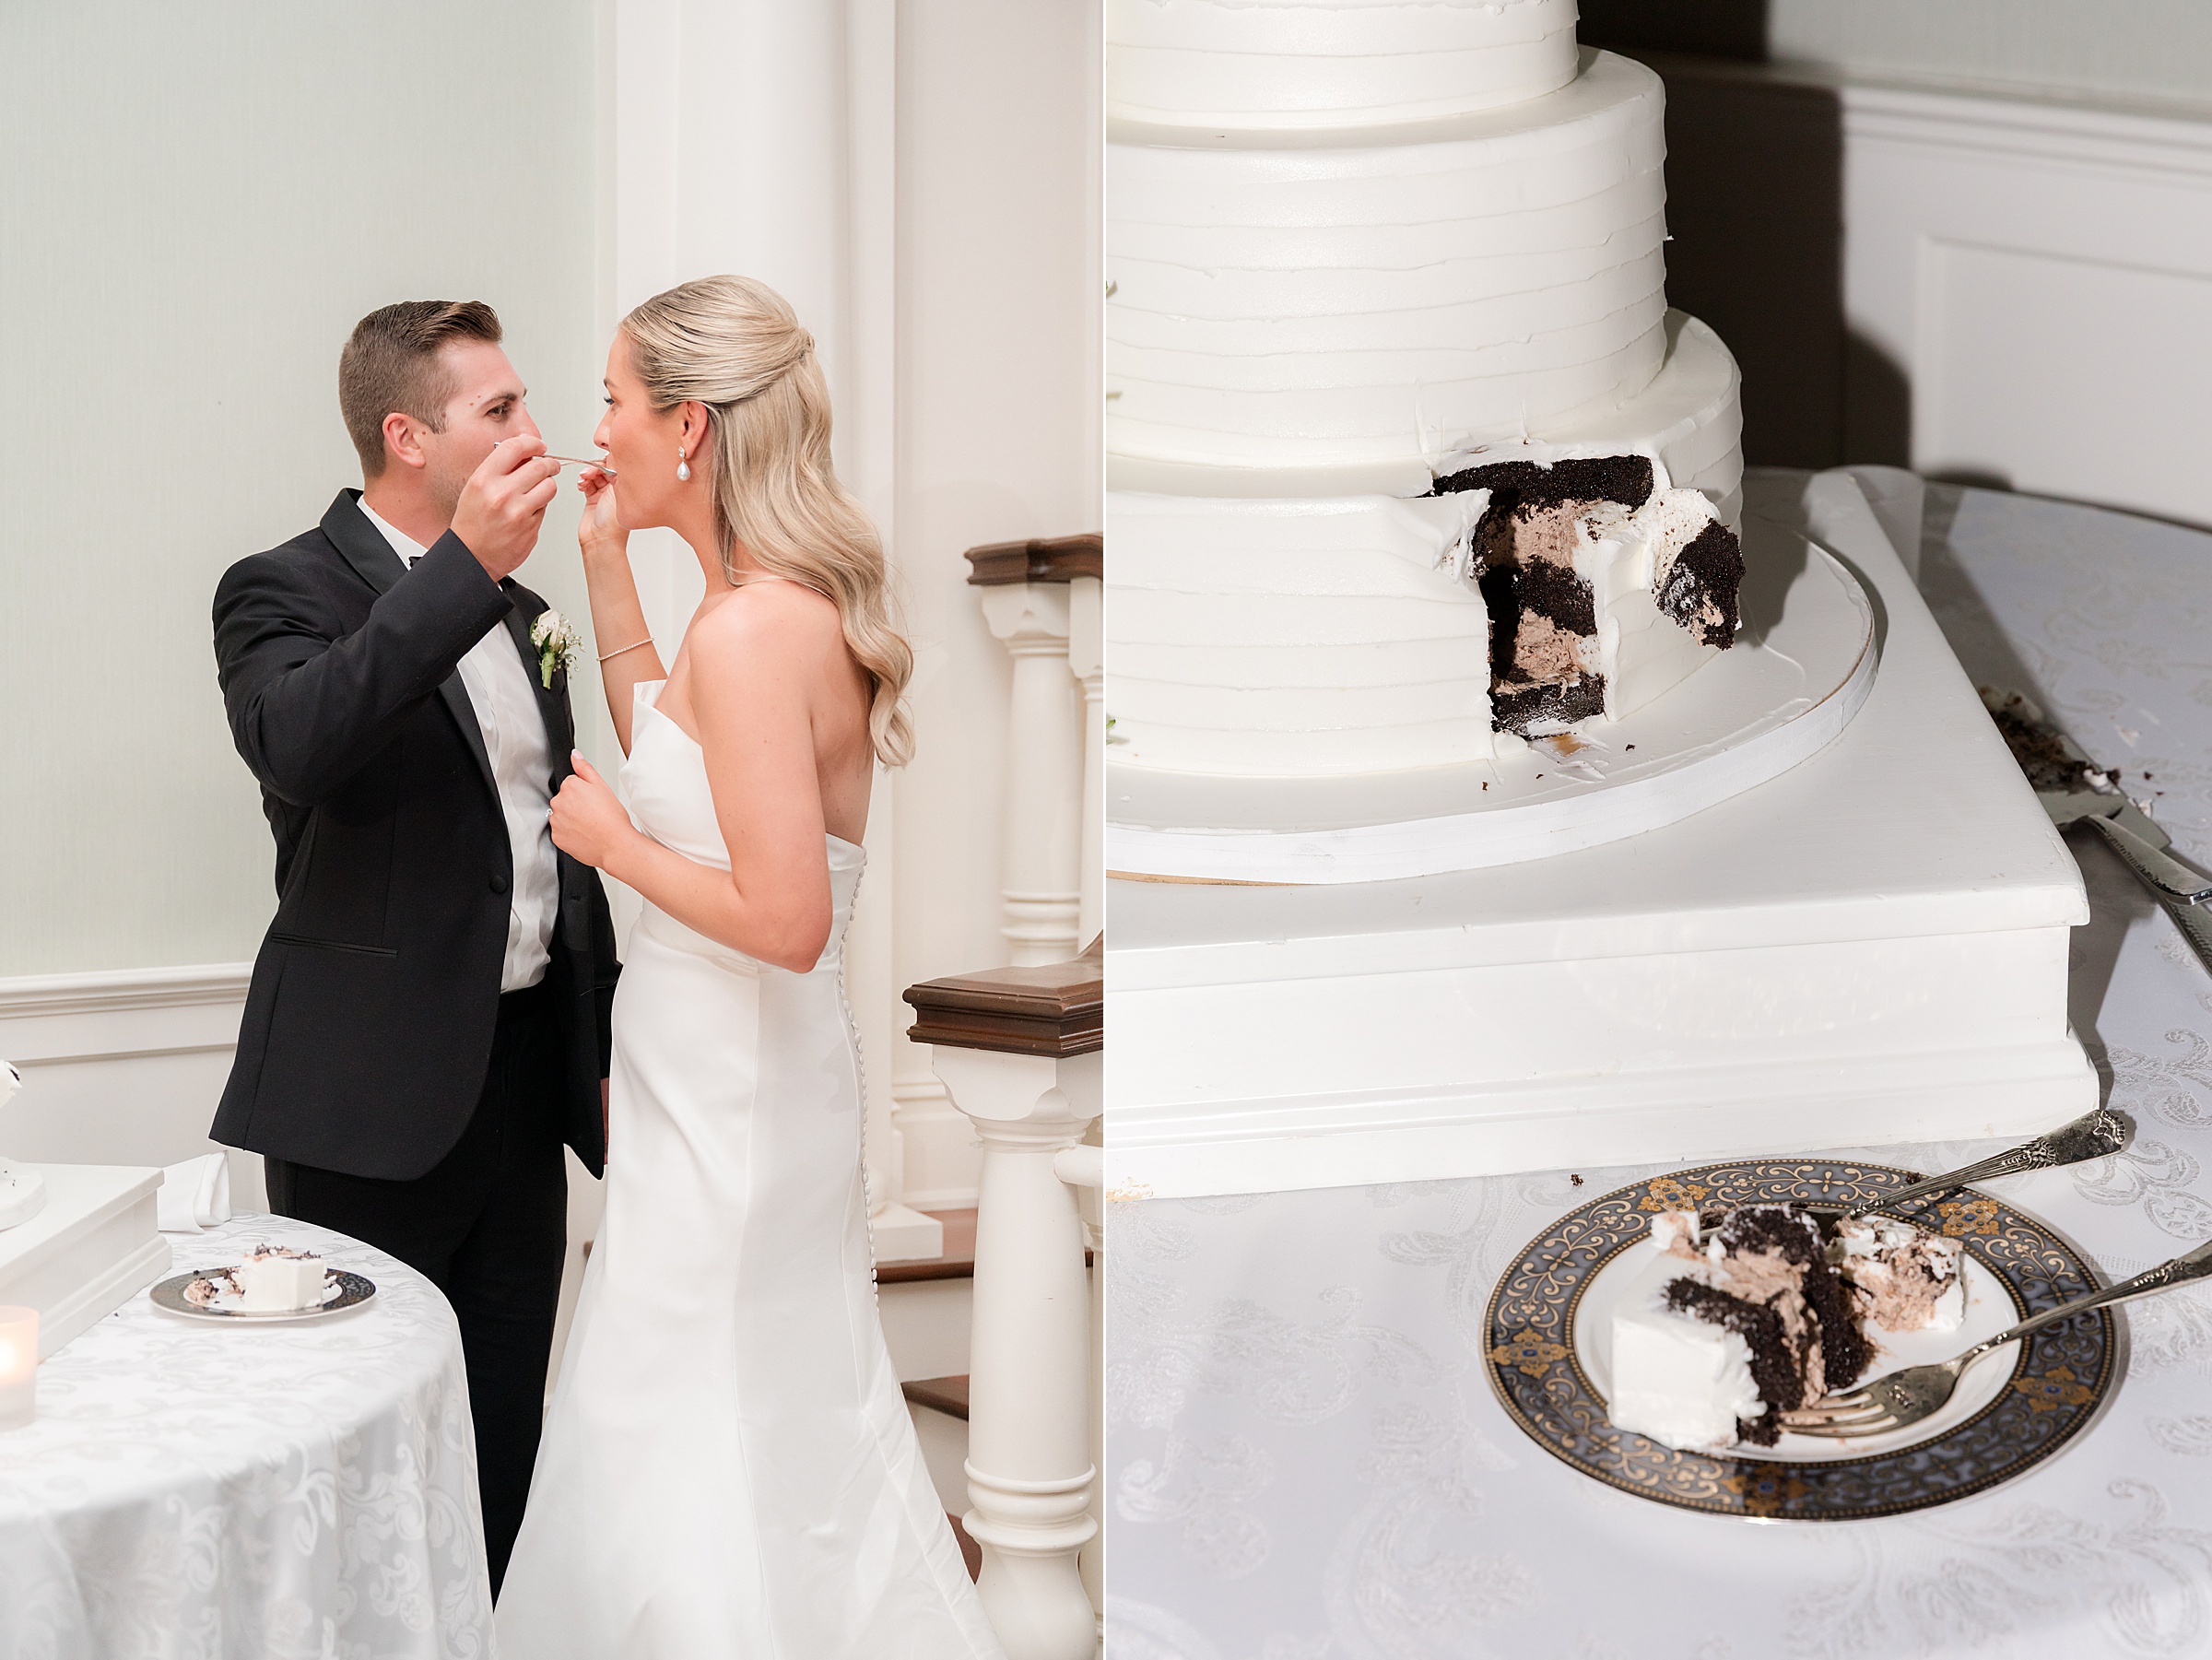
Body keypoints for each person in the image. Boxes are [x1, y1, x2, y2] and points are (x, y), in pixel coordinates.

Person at [494, 276, 1003, 1657]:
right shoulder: (763, 614)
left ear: (691, 427)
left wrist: (600, 844)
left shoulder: (751, 628)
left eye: (613, 396)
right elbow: (685, 768)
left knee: (682, 1404)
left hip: (739, 1091)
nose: (597, 422)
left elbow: (785, 918)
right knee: (719, 1408)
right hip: (714, 1078)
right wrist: (607, 570)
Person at [210, 300, 620, 1594]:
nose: (533, 430)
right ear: (406, 436)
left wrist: (597, 1044)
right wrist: (459, 577)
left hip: (519, 1092)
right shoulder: (282, 587)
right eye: (497, 409)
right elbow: (299, 741)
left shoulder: (527, 611)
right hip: (366, 1108)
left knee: (503, 1445)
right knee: (355, 1459)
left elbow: (551, 846)